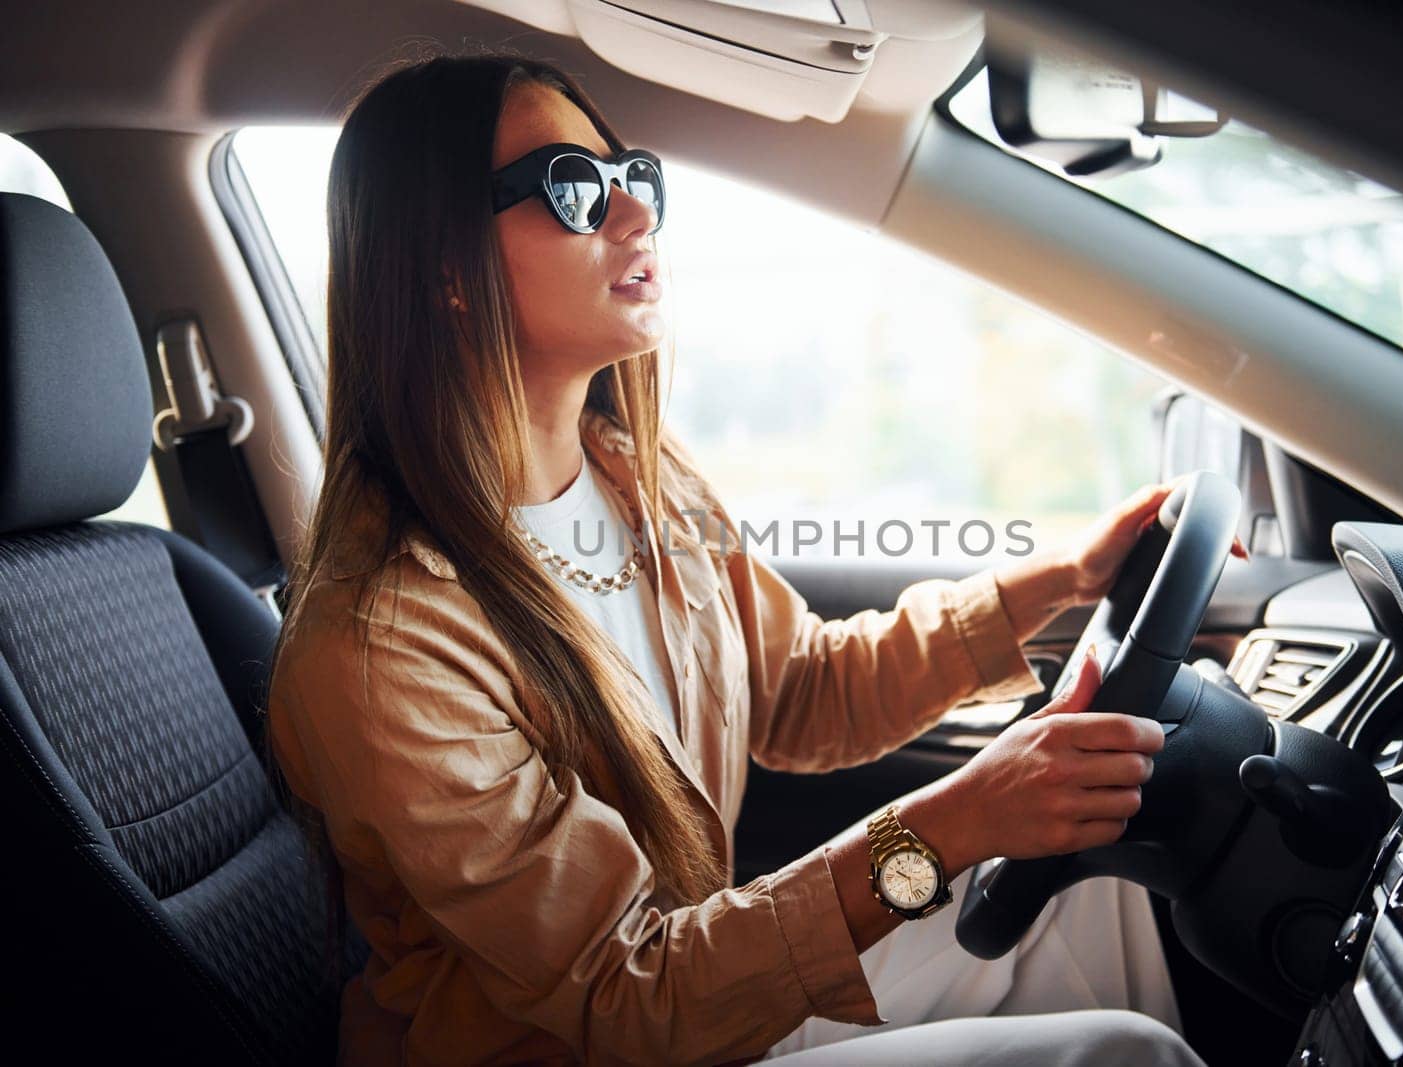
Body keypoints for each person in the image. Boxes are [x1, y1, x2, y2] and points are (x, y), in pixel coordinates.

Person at [265, 48, 1237, 1067]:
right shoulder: (381, 651)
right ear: (441, 270)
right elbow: (625, 995)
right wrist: (951, 822)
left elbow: (804, 690)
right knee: (1121, 1052)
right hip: (616, 1035)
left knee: (1105, 888)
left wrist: (1063, 583)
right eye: (572, 188)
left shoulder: (637, 480)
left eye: (632, 178)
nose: (636, 215)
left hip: (704, 992)